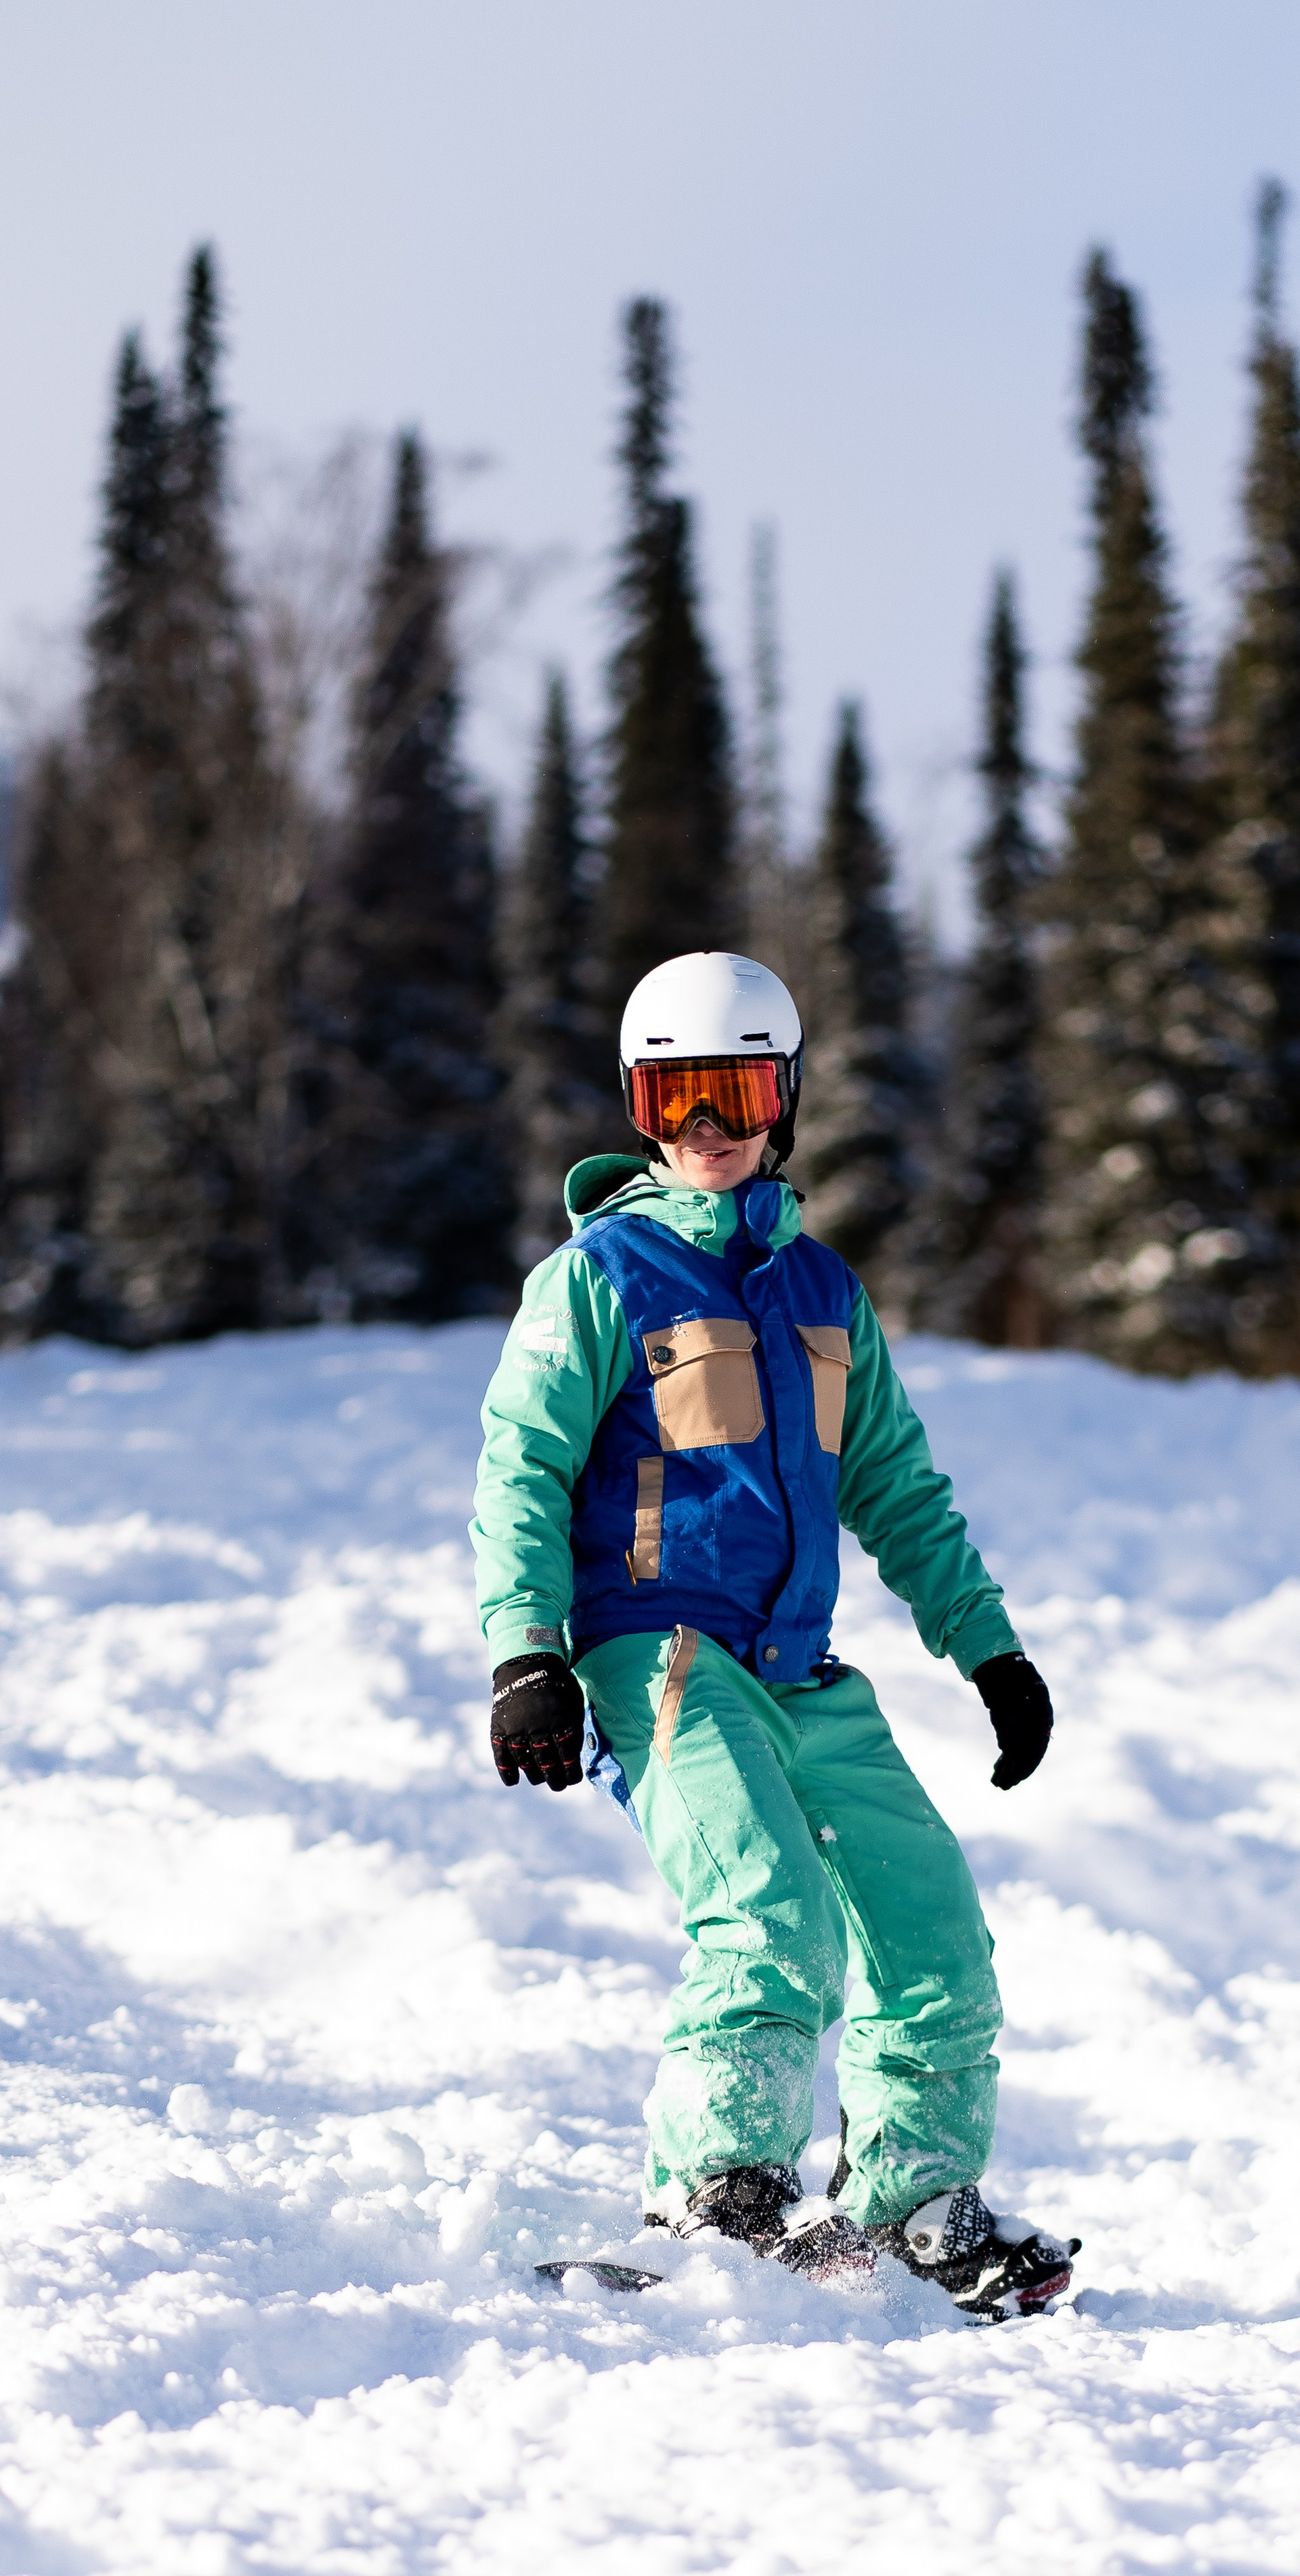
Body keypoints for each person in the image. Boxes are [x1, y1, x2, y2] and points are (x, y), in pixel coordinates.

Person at [471, 951, 1078, 2321]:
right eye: (679, 1096)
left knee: (929, 1929)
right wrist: (527, 1652)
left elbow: (898, 1488)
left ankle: (912, 2202)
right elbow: (521, 1469)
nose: (710, 1125)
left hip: (801, 1671)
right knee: (763, 1910)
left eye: (736, 1090)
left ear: (783, 1096)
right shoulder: (597, 1280)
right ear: (639, 1107)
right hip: (656, 1655)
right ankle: (716, 2189)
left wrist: (988, 1652)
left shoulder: (819, 1294)